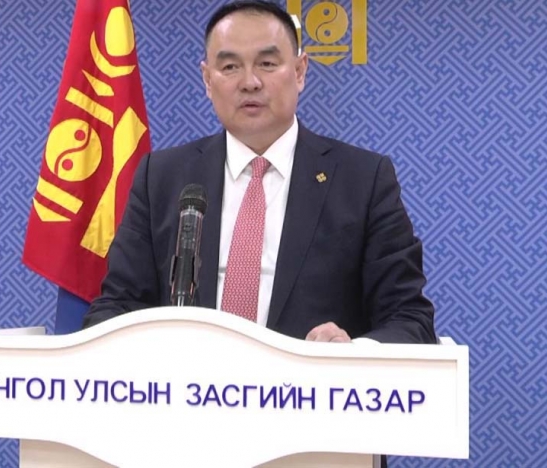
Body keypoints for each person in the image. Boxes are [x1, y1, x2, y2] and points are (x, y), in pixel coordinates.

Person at [82, 0, 436, 346]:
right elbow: (117, 306)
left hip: (312, 384)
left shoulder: (362, 180)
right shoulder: (161, 178)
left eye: (267, 64)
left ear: (299, 71)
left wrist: (351, 354)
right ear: (207, 79)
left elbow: (408, 318)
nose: (250, 82)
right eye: (230, 67)